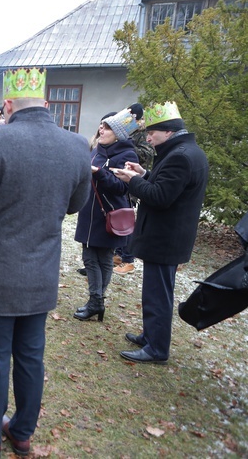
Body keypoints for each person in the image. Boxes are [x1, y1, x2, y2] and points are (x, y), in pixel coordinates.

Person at [0, 68, 90, 459]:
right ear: (46, 104)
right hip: (40, 273)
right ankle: (22, 432)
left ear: (8, 105)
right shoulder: (77, 146)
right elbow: (76, 204)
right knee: (30, 356)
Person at [114, 101, 209, 364]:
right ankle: (150, 336)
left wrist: (132, 180)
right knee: (155, 292)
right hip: (170, 236)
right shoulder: (186, 151)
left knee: (158, 295)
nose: (148, 137)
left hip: (166, 238)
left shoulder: (179, 156)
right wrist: (144, 173)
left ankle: (157, 348)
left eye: (152, 132)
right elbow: (168, 185)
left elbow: (160, 196)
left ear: (168, 131)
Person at [72, 109, 138, 321]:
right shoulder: (96, 150)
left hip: (108, 214)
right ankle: (96, 301)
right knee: (90, 258)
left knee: (104, 259)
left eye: (107, 127)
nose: (101, 128)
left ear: (118, 133)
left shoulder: (127, 155)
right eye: (101, 125)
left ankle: (96, 302)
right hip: (89, 212)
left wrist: (99, 172)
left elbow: (122, 187)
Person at [113, 103, 154, 276]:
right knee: (117, 217)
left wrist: (125, 144)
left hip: (134, 182)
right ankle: (119, 253)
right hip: (122, 179)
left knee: (127, 221)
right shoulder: (130, 132)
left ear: (135, 118)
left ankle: (128, 260)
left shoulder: (143, 135)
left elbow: (147, 154)